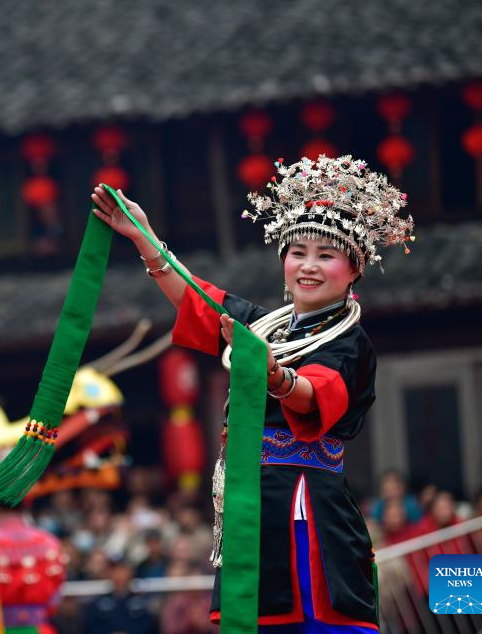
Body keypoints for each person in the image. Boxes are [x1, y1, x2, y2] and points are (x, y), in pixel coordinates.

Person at [92, 154, 414, 632]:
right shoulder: (269, 327)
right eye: (297, 251)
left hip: (306, 510)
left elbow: (314, 394)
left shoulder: (349, 342)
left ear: (354, 269)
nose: (307, 266)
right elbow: (202, 301)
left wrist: (276, 377)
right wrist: (144, 237)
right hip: (252, 505)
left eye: (325, 255)